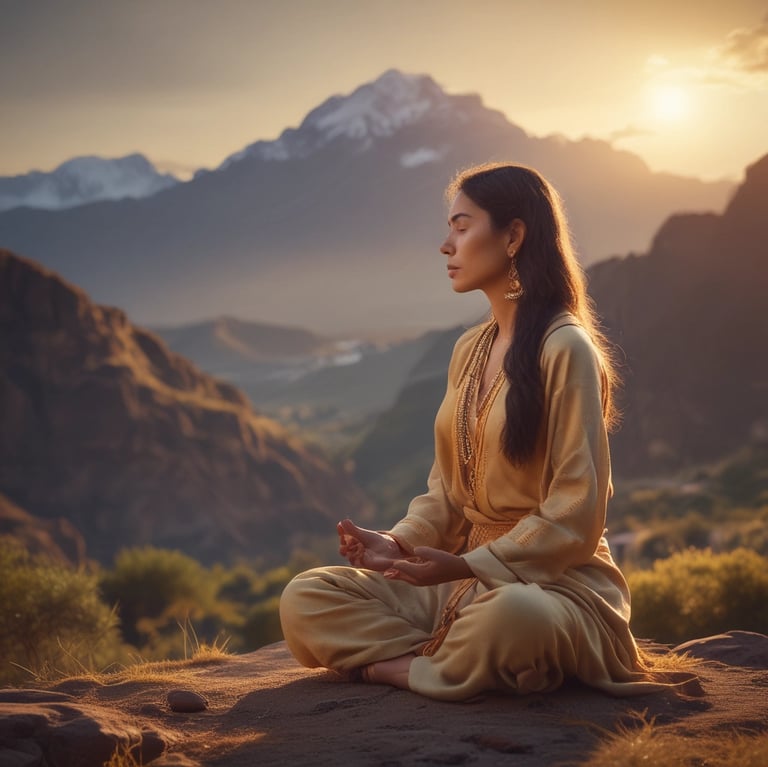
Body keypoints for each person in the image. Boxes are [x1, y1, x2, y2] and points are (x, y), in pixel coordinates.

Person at [279, 162, 677, 701]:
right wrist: (398, 544)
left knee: (516, 616)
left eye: (462, 227)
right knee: (306, 594)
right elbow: (446, 491)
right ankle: (462, 664)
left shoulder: (567, 349)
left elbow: (578, 510)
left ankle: (394, 667)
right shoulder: (470, 349)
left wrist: (470, 564)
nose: (447, 245)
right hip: (458, 582)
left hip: (554, 585)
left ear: (513, 235)